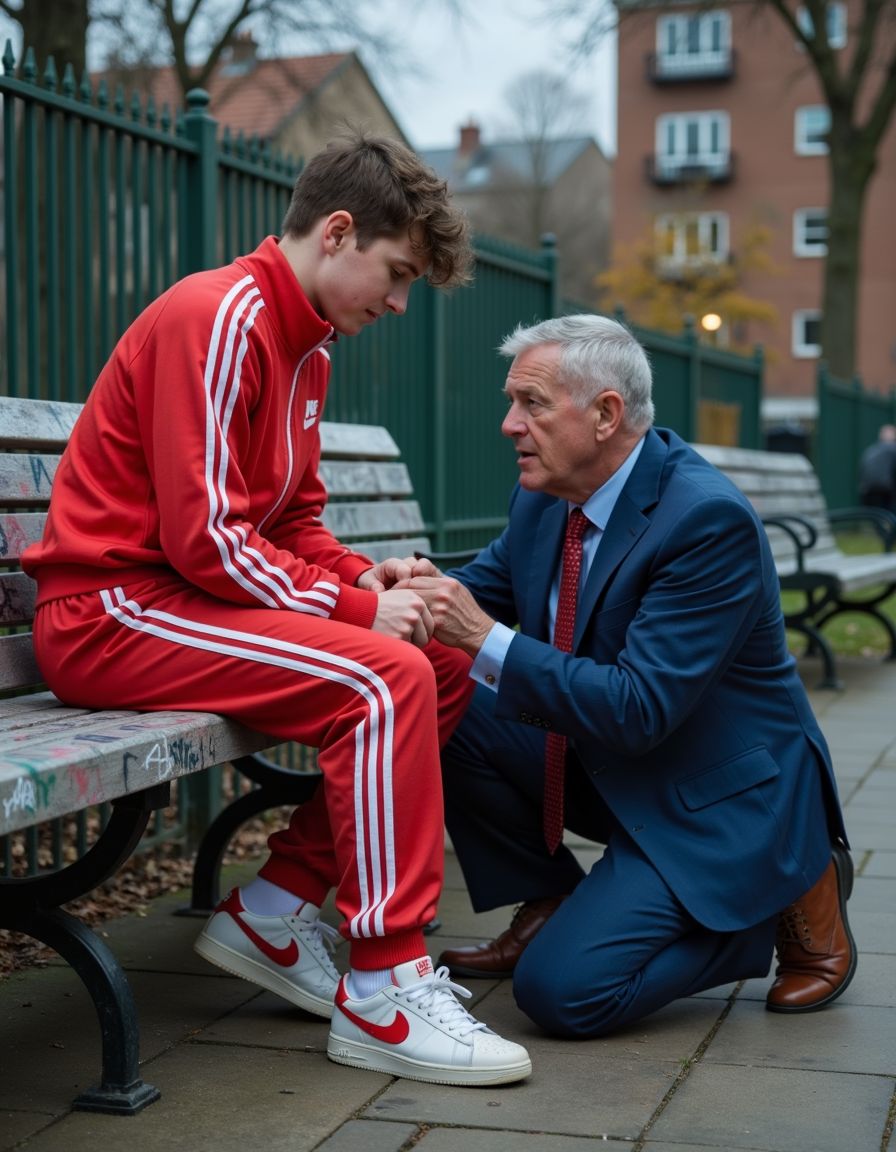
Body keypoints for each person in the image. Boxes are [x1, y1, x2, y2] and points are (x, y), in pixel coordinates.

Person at [21, 131, 531, 1087]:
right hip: (111, 613)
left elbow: (289, 520)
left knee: (442, 661)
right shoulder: (219, 316)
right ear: (337, 233)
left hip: (183, 605)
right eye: (397, 272)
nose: (397, 301)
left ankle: (281, 903)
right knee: (383, 678)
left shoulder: (308, 352)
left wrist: (367, 582)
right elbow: (205, 537)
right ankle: (384, 989)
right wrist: (350, 613)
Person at [403, 313, 856, 1038]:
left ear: (606, 414)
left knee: (561, 994)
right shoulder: (547, 495)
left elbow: (639, 708)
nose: (509, 425)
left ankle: (761, 904)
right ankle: (547, 898)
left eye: (532, 404)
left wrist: (481, 636)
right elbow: (482, 586)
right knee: (439, 693)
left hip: (711, 797)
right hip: (616, 765)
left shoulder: (706, 522)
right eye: (512, 402)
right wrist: (405, 585)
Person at [858, 424, 896, 512]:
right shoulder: (893, 448)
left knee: (876, 517)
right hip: (884, 491)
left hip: (867, 491)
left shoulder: (871, 449)